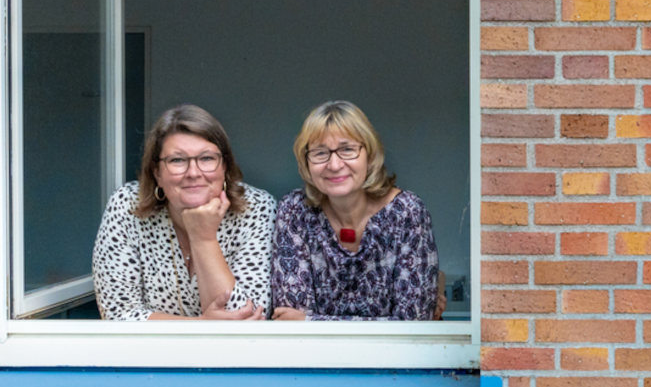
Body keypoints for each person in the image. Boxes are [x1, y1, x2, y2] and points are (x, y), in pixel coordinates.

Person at [93, 104, 274, 321]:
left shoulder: (256, 208)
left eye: (207, 158)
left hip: (231, 355)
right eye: (177, 160)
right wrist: (200, 325)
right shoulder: (127, 206)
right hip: (148, 353)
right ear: (157, 172)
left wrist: (204, 238)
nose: (194, 173)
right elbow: (118, 314)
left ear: (224, 166)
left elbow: (247, 320)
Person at [272, 100, 440, 320]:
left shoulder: (407, 212)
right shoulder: (295, 211)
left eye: (347, 150)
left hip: (396, 354)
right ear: (306, 162)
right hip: (311, 354)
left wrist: (312, 321)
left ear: (369, 156)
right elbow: (289, 318)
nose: (334, 165)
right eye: (320, 153)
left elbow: (414, 322)